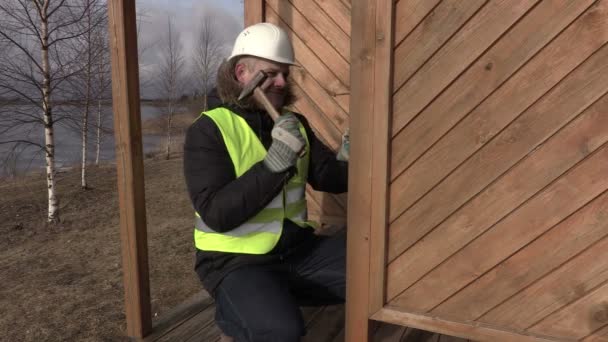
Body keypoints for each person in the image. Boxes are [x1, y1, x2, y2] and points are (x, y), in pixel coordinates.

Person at [183, 22, 349, 342]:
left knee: (375, 274)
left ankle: (272, 299)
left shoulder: (293, 123)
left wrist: (348, 161)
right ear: (242, 72)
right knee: (281, 332)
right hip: (235, 263)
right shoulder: (208, 130)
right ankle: (234, 313)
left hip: (298, 252)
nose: (282, 81)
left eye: (285, 73)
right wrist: (273, 167)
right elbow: (217, 213)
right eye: (271, 73)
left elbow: (327, 177)